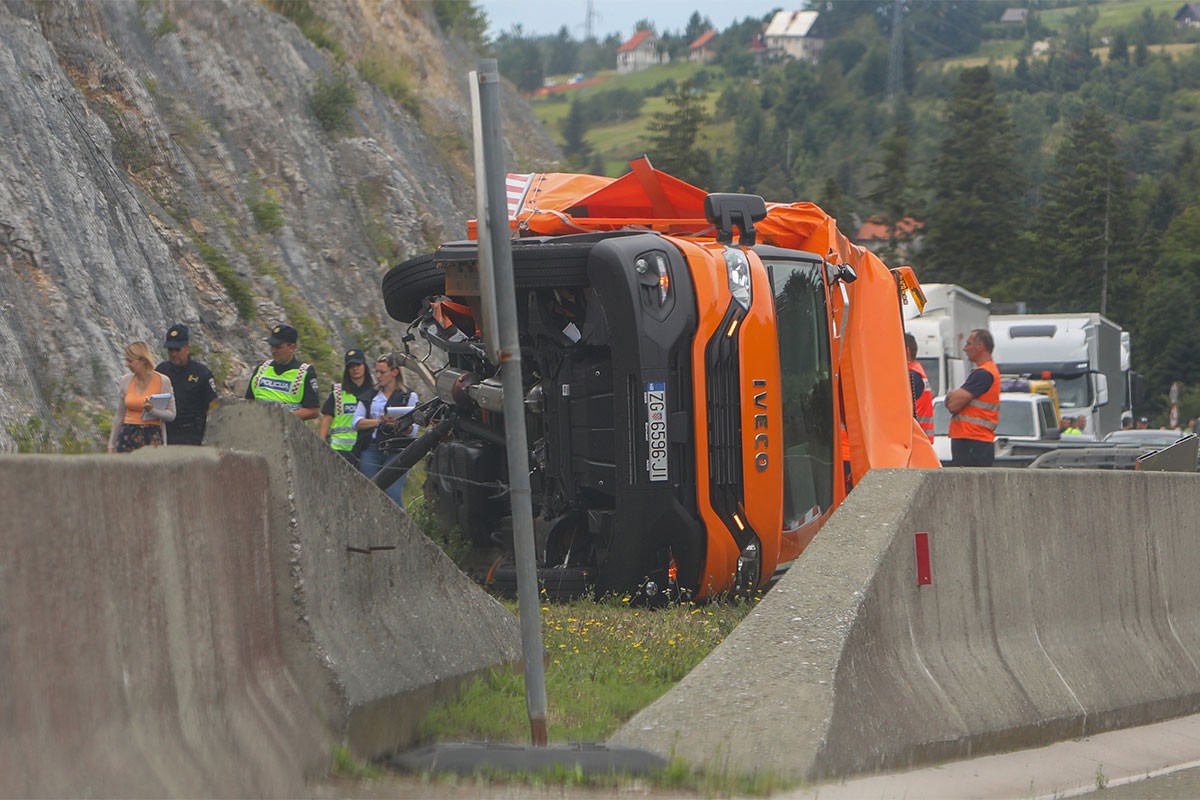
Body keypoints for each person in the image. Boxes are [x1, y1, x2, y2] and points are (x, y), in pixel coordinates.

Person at [354, 352, 419, 504]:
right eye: (377, 372)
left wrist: (399, 425)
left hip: (396, 449)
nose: (378, 376)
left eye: (382, 372)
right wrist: (378, 422)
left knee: (392, 493)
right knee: (369, 489)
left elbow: (413, 430)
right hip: (372, 447)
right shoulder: (371, 395)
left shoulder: (408, 396)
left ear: (394, 372)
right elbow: (356, 421)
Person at [155, 323, 219, 445]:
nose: (173, 353)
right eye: (170, 349)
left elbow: (213, 406)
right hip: (166, 432)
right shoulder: (161, 371)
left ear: (187, 348)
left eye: (177, 349)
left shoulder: (202, 373)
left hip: (192, 434)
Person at [944, 328, 1000, 467]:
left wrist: (951, 396)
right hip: (974, 440)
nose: (965, 348)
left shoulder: (983, 374)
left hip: (972, 441)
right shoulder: (985, 371)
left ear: (980, 347)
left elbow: (952, 404)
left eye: (969, 344)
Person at [109, 341, 177, 453]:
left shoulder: (163, 381)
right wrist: (111, 444)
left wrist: (152, 411)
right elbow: (119, 416)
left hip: (151, 435)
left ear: (143, 360)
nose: (127, 365)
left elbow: (171, 414)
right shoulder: (125, 381)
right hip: (127, 435)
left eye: (130, 361)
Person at [244, 323, 320, 420]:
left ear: (292, 347)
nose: (274, 350)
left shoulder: (305, 372)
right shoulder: (261, 368)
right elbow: (247, 402)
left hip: (287, 429)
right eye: (272, 346)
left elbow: (313, 411)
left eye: (278, 347)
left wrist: (282, 416)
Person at [319, 348, 374, 465]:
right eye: (351, 366)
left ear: (364, 365)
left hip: (365, 450)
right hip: (339, 449)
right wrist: (321, 442)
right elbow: (327, 417)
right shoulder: (338, 392)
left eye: (358, 364)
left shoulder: (374, 392)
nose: (355, 368)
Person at [905, 332, 934, 443]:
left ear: (906, 351)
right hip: (919, 441)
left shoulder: (911, 375)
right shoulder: (917, 372)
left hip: (915, 442)